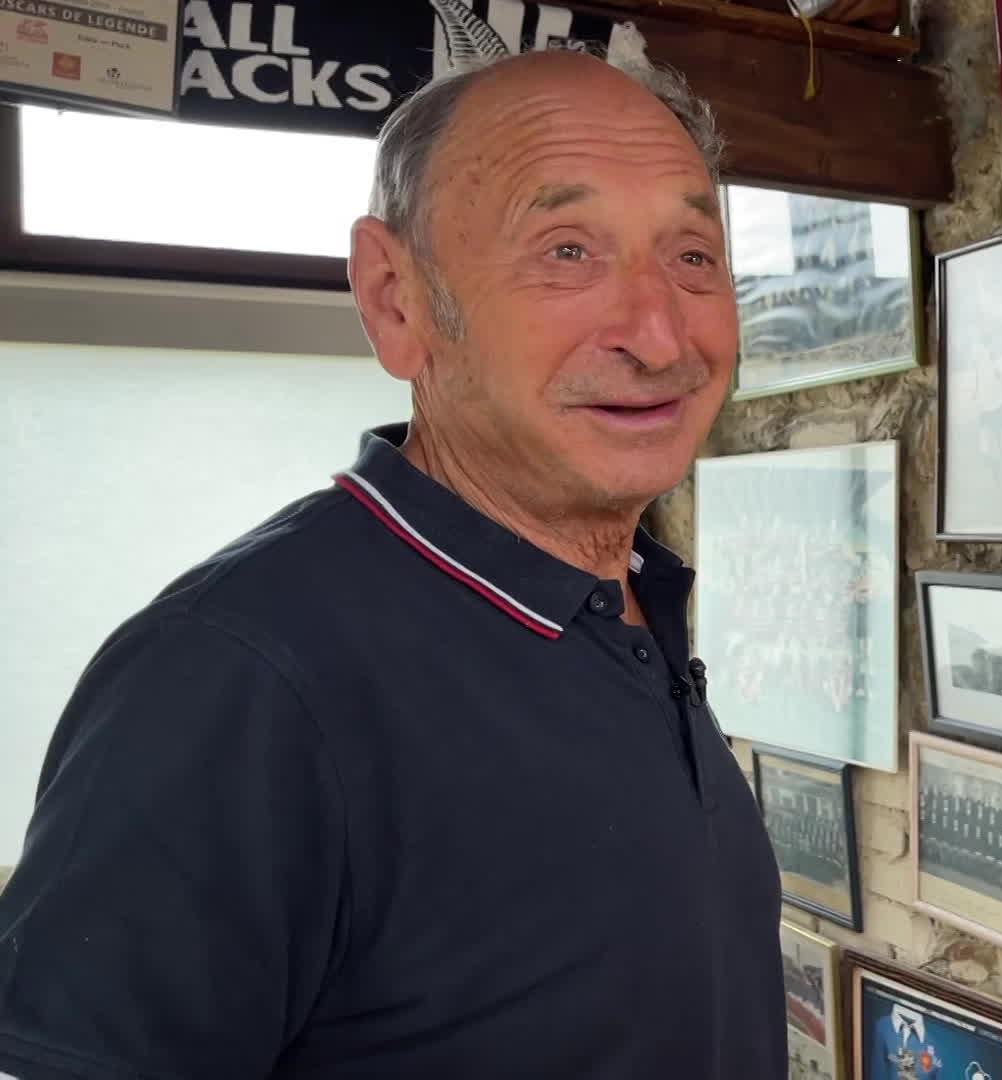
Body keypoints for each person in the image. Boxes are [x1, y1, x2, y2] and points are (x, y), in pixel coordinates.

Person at [0, 48, 787, 1078]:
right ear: (396, 301)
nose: (658, 331)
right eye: (565, 251)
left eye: (692, 255)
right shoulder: (238, 677)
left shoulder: (635, 595)